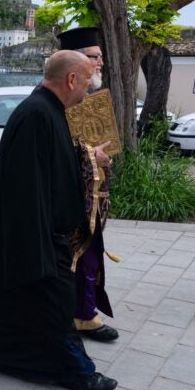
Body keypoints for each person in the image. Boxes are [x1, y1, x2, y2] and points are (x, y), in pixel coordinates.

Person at [0, 50, 118, 390]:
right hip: (34, 234)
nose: (89, 88)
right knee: (56, 304)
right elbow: (26, 187)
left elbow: (54, 162)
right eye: (87, 80)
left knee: (2, 297)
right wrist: (40, 244)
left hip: (32, 233)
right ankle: (76, 371)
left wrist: (90, 158)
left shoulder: (49, 110)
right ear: (71, 79)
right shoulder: (36, 115)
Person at [56, 27, 118, 342]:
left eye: (100, 57)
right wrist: (90, 156)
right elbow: (60, 148)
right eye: (94, 57)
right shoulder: (58, 101)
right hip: (71, 195)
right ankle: (77, 313)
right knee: (76, 252)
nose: (100, 63)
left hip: (94, 190)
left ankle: (84, 309)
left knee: (91, 252)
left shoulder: (89, 96)